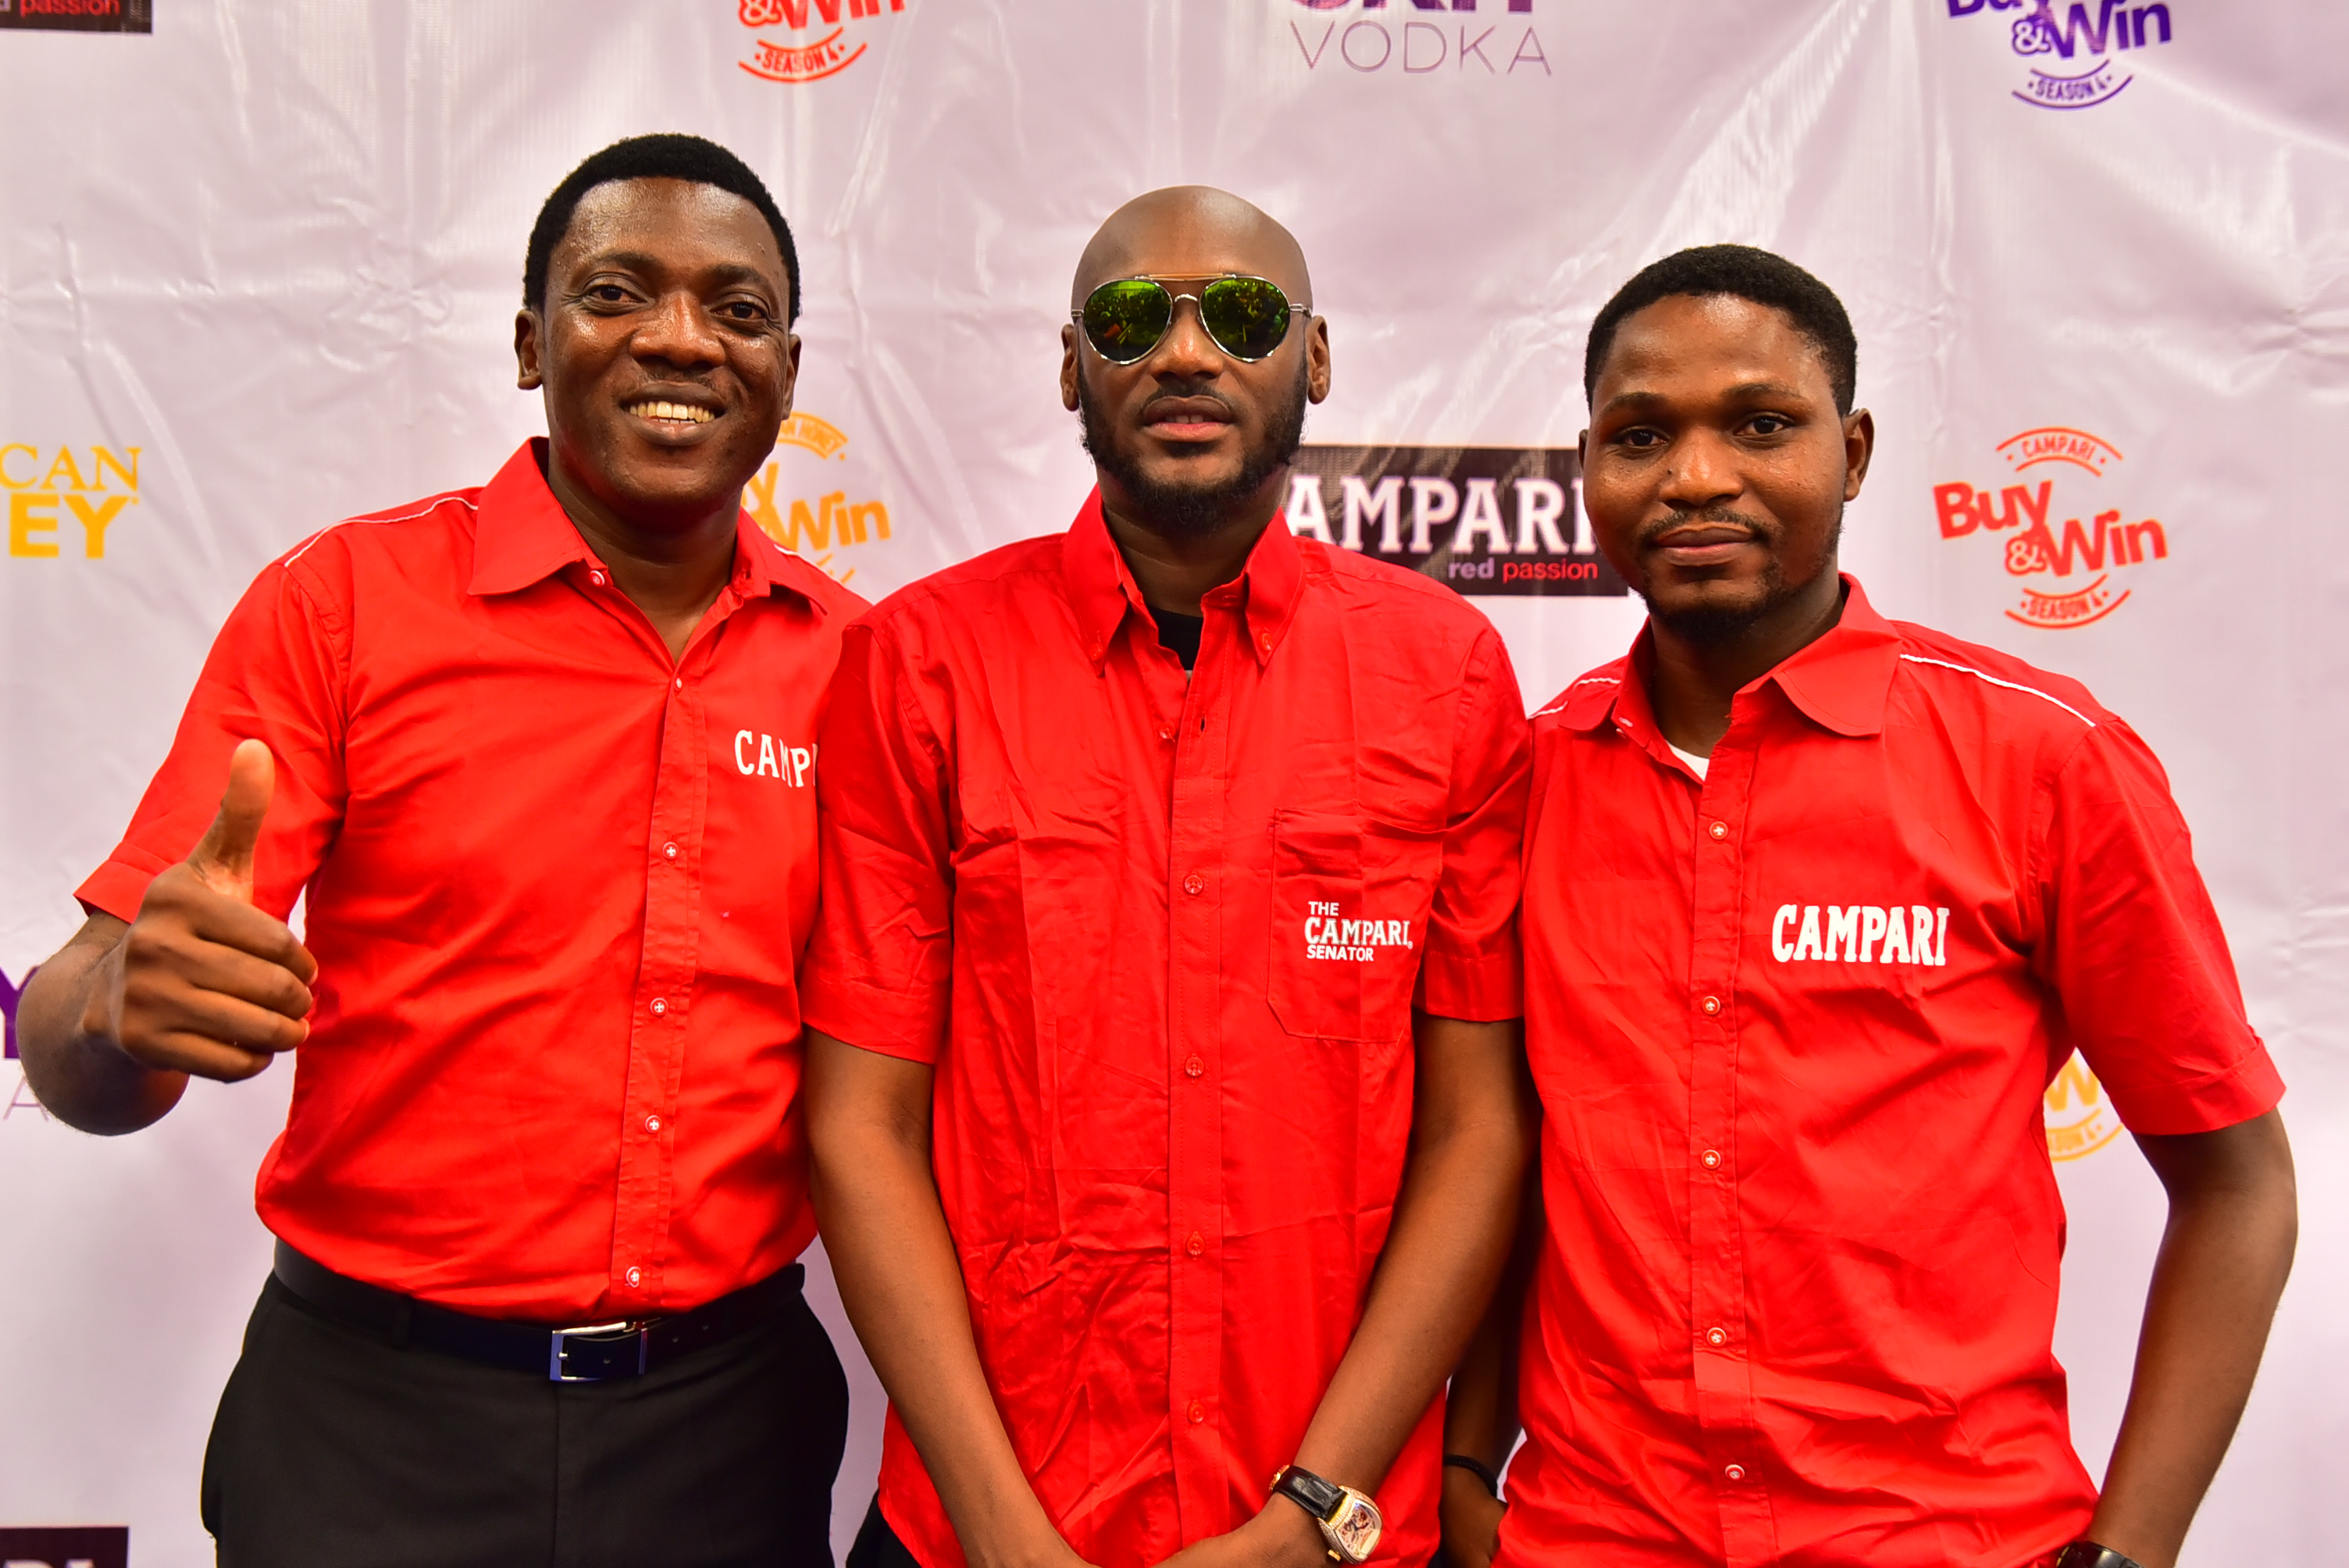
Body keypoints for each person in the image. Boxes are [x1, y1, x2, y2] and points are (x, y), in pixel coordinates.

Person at [17, 134, 862, 1567]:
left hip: (728, 1430)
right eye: (616, 291)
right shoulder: (344, 606)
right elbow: (82, 1023)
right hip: (370, 1426)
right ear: (532, 344)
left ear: (787, 363)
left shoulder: (862, 663)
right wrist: (112, 1010)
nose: (680, 339)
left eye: (737, 308)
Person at [1443, 245, 2297, 1568]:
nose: (1697, 475)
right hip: (1595, 1536)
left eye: (1762, 424)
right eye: (1641, 434)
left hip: (1954, 1540)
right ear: (1590, 468)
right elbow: (1494, 1170)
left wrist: (2128, 1554)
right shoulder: (1532, 778)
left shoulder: (2041, 757)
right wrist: (1459, 1470)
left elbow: (2239, 1186)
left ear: (1853, 453)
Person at [801, 187, 1536, 1568]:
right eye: (1133, 318)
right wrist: (1004, 1535)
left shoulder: (1444, 676)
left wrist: (1313, 1510)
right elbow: (861, 1127)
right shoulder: (922, 666)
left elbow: (1476, 1132)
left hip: (1334, 1530)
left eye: (1243, 316)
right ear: (1072, 366)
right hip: (985, 1522)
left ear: (1312, 361)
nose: (1186, 353)